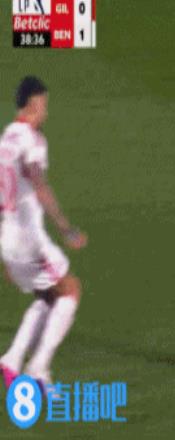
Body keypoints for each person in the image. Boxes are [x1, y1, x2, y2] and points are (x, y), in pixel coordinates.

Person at [0, 76, 87, 392]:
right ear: (34, 103)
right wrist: (66, 228)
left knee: (47, 297)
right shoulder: (32, 140)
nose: (46, 112)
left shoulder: (5, 139)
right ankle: (39, 368)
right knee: (71, 290)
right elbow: (38, 183)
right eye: (44, 105)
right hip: (29, 240)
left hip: (7, 239)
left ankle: (12, 360)